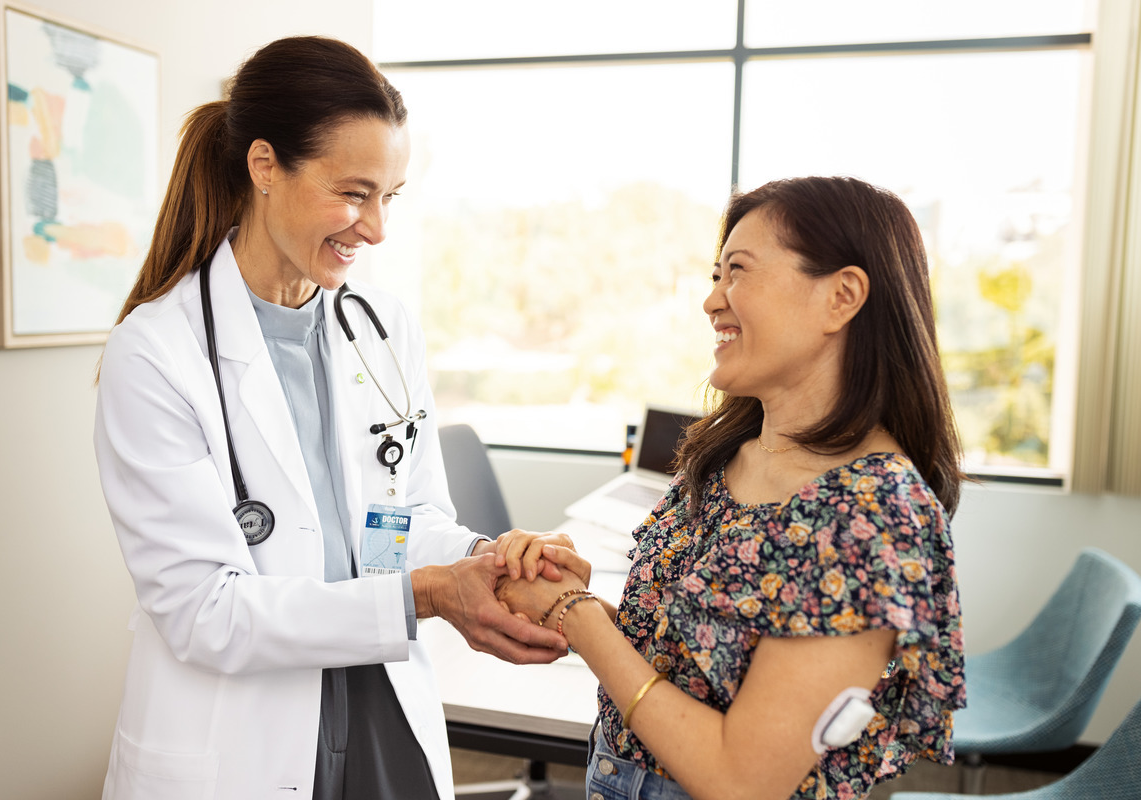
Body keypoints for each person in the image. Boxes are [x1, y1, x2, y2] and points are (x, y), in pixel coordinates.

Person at [93, 36, 566, 800]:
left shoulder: (383, 328)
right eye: (353, 193)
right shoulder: (155, 353)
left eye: (390, 196)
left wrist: (487, 560)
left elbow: (400, 522)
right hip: (241, 740)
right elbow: (206, 612)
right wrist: (428, 595)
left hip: (381, 705)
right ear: (264, 166)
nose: (375, 228)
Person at [495, 176, 966, 800]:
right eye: (715, 275)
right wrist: (567, 594)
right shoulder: (730, 455)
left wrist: (575, 616)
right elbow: (683, 661)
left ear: (842, 297)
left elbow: (741, 779)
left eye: (737, 271)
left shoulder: (870, 513)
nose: (711, 300)